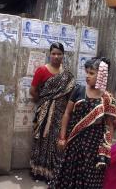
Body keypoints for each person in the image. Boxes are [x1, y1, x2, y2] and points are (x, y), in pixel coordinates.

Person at [53, 57, 116, 188]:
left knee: (90, 176)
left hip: (93, 144)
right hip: (74, 141)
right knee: (69, 172)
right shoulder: (78, 90)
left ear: (101, 75)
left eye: (92, 73)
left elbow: (110, 124)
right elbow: (67, 113)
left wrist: (107, 146)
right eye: (87, 72)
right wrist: (62, 137)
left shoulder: (107, 98)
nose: (87, 76)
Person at [29, 42, 75, 183]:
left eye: (59, 54)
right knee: (41, 140)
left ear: (63, 55)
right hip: (44, 113)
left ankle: (52, 172)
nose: (56, 56)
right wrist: (45, 102)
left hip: (60, 114)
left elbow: (69, 95)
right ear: (50, 54)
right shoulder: (41, 71)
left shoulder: (66, 74)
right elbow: (33, 91)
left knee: (56, 141)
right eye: (53, 53)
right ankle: (38, 171)